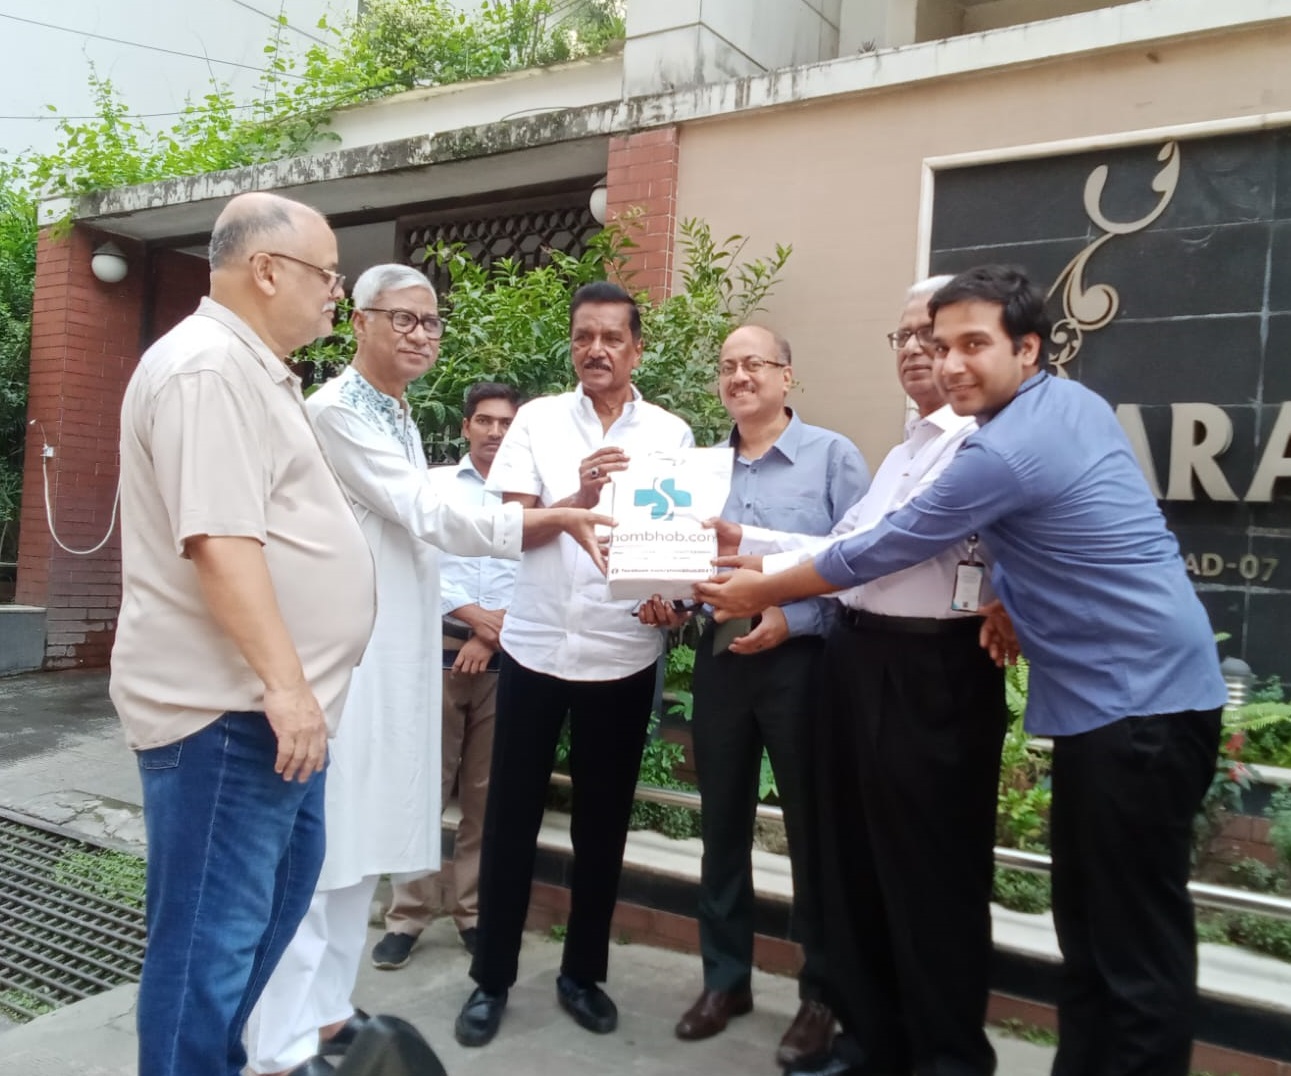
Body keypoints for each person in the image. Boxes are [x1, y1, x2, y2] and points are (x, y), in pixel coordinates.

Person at [697, 264, 1227, 1076]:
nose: (944, 362)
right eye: (931, 343)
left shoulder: (1000, 448)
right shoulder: (1053, 410)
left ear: (1028, 348)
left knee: (1129, 949)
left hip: (1138, 702)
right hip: (1108, 703)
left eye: (968, 344)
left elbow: (887, 548)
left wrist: (763, 587)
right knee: (1088, 932)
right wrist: (1005, 592)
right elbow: (1016, 529)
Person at [244, 266, 610, 1076]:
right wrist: (549, 516)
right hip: (344, 659)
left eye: (431, 321)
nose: (420, 334)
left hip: (393, 654)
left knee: (359, 842)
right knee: (317, 855)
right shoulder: (336, 411)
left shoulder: (396, 412)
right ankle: (277, 1047)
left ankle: (328, 1014)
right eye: (401, 319)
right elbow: (427, 511)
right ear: (358, 321)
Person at [111, 192, 376, 1076]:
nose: (335, 292)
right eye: (326, 274)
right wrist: (287, 687)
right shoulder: (208, 370)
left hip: (269, 717)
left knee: (257, 925)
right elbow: (220, 543)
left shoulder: (249, 368)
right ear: (266, 270)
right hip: (230, 717)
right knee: (207, 951)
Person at [720, 277, 1009, 1074]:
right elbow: (846, 538)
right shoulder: (908, 447)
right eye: (904, 336)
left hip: (933, 671)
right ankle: (872, 1042)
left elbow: (882, 551)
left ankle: (946, 1057)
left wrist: (762, 580)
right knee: (864, 864)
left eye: (934, 336)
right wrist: (745, 542)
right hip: (862, 659)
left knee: (933, 876)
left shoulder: (980, 442)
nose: (917, 350)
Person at [452, 281, 694, 1048]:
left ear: (636, 350)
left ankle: (582, 974)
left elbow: (675, 547)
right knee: (509, 819)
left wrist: (670, 604)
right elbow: (509, 529)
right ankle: (490, 979)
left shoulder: (671, 433)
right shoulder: (535, 421)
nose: (596, 349)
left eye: (611, 337)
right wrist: (577, 493)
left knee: (602, 823)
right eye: (584, 336)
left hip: (621, 649)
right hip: (535, 645)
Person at [671, 325, 869, 1070]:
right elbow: (686, 562)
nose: (739, 376)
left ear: (787, 375)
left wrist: (794, 615)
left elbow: (863, 568)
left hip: (804, 665)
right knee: (720, 825)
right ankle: (725, 981)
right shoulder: (699, 469)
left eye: (753, 363)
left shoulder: (833, 457)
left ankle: (822, 995)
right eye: (727, 366)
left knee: (814, 831)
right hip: (721, 660)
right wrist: (669, 599)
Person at [371, 381, 523, 970]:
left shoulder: (529, 496)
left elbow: (537, 573)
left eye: (506, 423)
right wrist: (473, 619)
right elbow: (416, 562)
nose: (495, 433)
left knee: (486, 797)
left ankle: (472, 912)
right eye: (484, 421)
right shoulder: (432, 487)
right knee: (421, 788)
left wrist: (489, 635)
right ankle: (406, 916)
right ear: (466, 427)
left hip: (505, 664)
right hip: (437, 654)